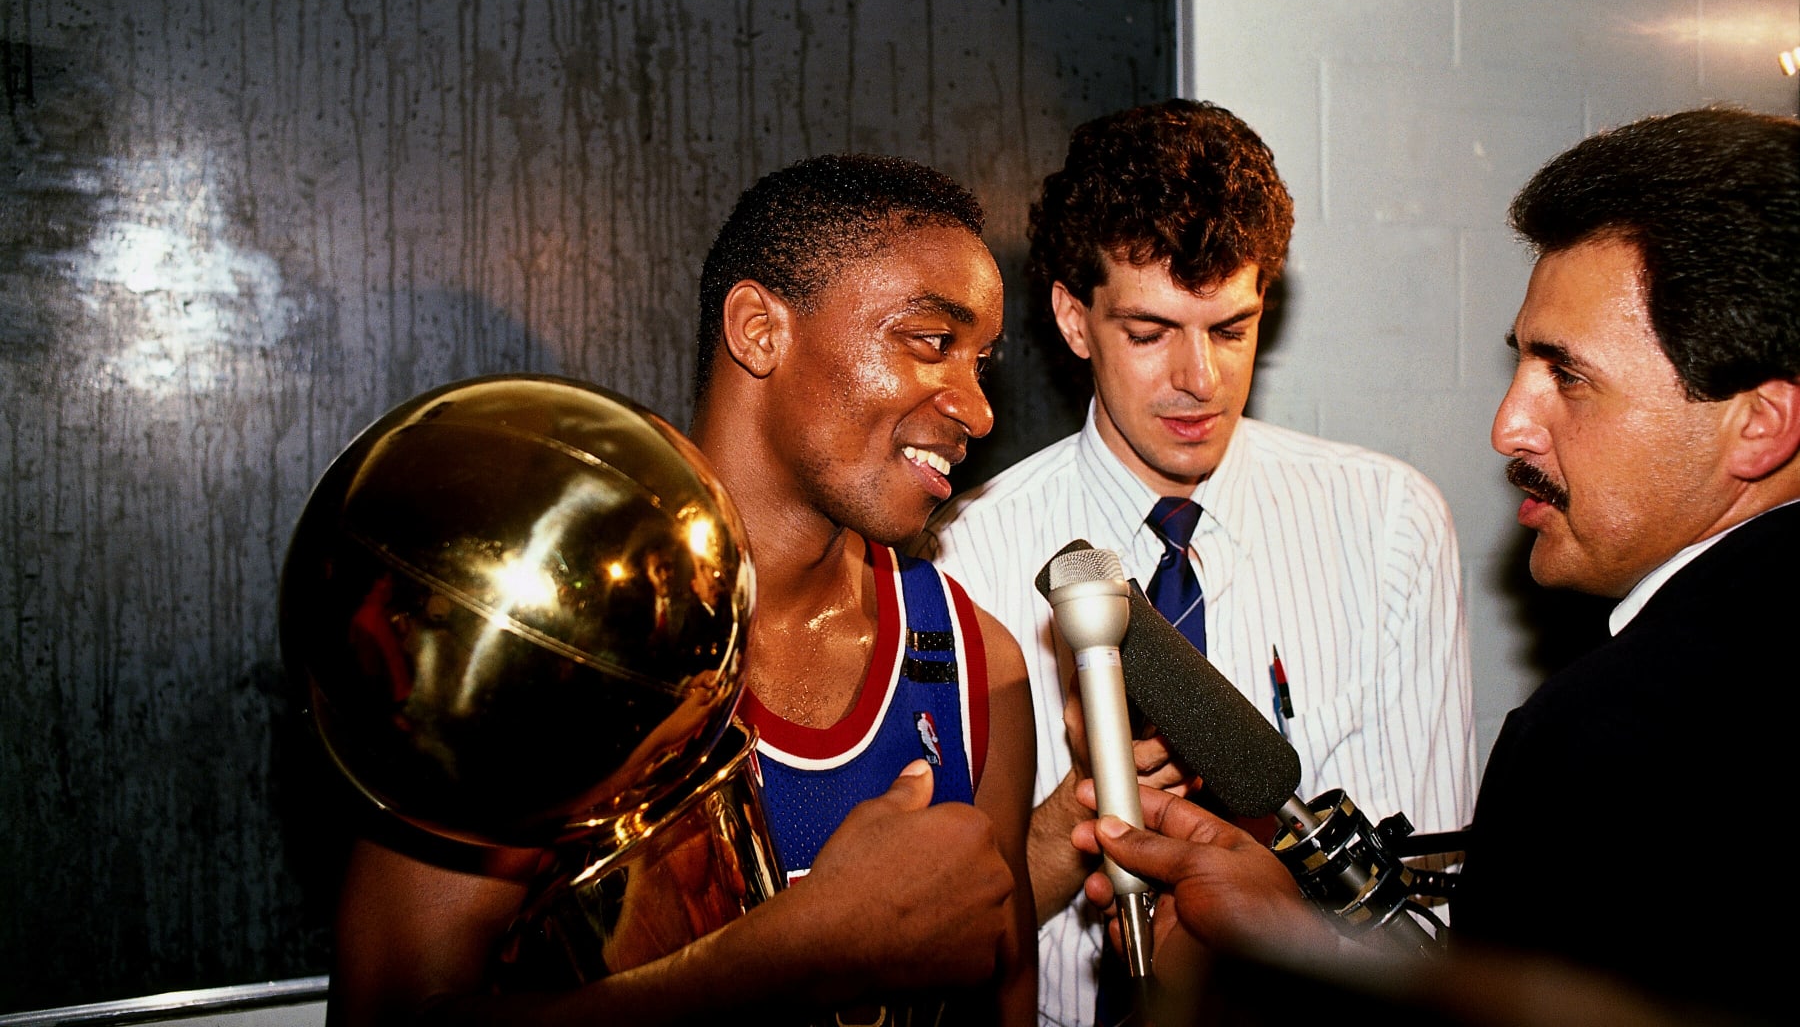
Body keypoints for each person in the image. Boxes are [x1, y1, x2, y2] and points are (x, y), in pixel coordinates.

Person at [1073, 106, 1800, 1023]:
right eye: (1521, 365)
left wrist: (1253, 985)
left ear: (1760, 425)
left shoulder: (1605, 740)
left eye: (1566, 376)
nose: (1509, 427)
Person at [329, 154, 1038, 1025]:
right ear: (758, 330)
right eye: (932, 342)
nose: (979, 407)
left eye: (982, 361)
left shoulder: (977, 665)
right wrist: (796, 955)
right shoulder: (544, 642)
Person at [919, 99, 1475, 1024]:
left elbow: (1423, 917)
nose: (1199, 380)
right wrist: (1076, 816)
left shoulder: (1389, 526)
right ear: (1073, 316)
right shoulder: (962, 555)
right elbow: (943, 942)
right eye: (1149, 333)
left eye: (1231, 329)